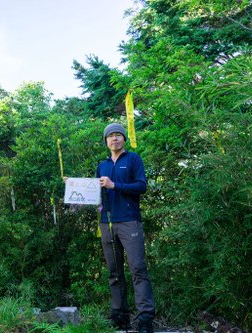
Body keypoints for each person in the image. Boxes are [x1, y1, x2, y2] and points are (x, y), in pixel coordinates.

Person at [97, 123, 155, 333]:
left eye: (118, 135)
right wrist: (74, 185)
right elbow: (95, 192)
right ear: (106, 141)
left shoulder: (133, 159)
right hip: (107, 223)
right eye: (110, 136)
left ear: (123, 139)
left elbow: (141, 186)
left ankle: (145, 319)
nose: (114, 139)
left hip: (129, 221)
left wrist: (115, 185)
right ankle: (119, 315)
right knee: (114, 272)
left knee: (138, 269)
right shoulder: (102, 165)